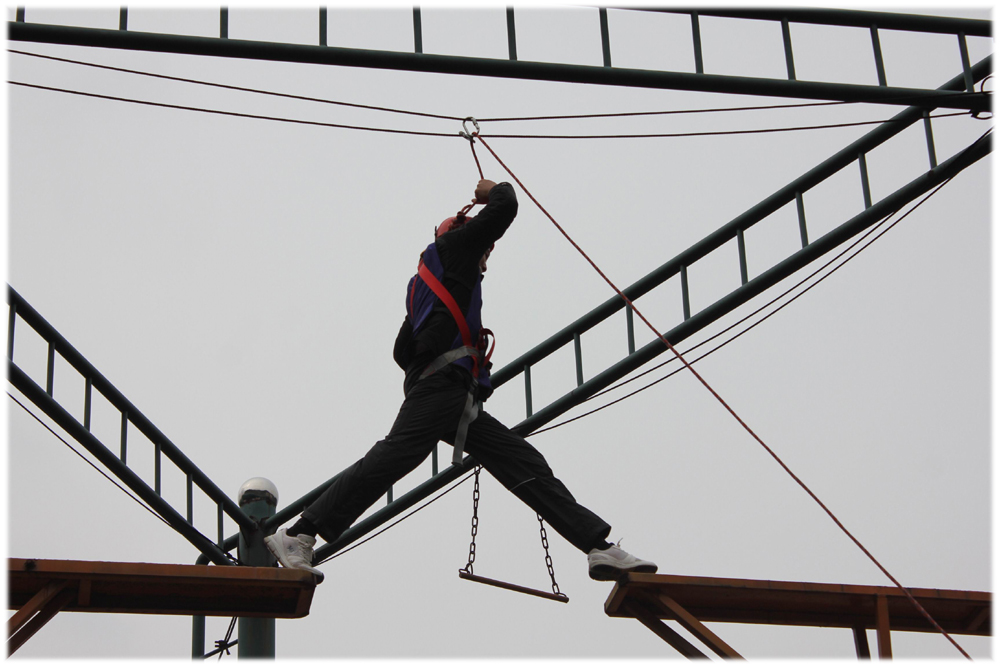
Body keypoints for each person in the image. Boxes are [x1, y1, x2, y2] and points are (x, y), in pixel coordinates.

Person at [265, 179, 657, 584]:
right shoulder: (454, 250)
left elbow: (403, 351)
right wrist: (493, 190)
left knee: (520, 461)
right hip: (442, 387)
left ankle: (597, 546)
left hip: (448, 393)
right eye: (484, 247)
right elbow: (505, 207)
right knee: (397, 453)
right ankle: (299, 533)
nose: (486, 256)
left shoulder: (428, 285)